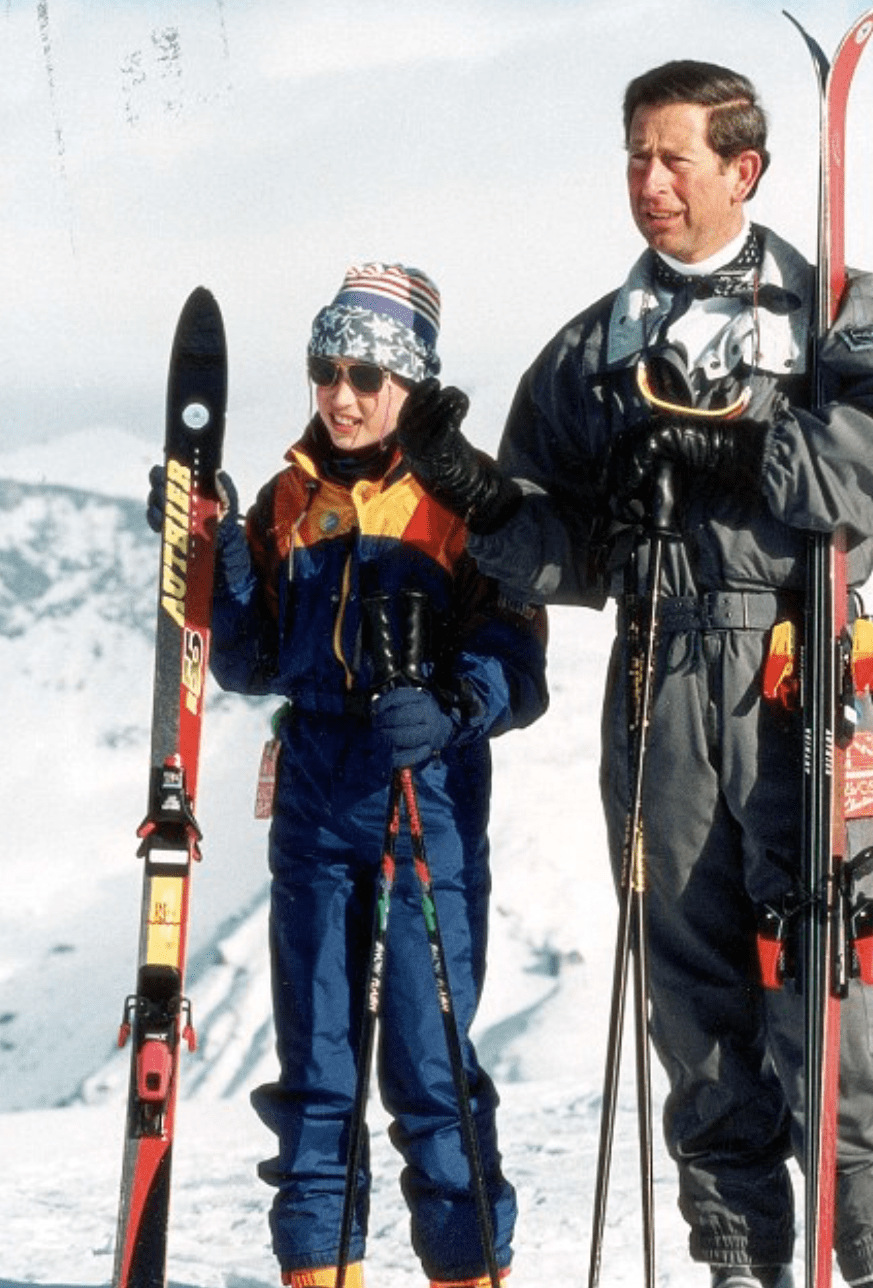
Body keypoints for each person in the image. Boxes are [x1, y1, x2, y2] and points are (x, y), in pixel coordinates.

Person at [394, 62, 873, 1288]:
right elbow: (561, 543)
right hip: (656, 675)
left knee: (834, 988)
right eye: (633, 156)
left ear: (741, 168)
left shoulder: (830, 304)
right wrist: (477, 491)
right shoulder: (599, 343)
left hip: (794, 662)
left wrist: (748, 446)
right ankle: (738, 1266)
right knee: (696, 1008)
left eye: (673, 157)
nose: (647, 181)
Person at [149, 262, 549, 1288]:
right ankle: (321, 1273)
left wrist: (461, 702)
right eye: (327, 367)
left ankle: (466, 1271)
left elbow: (519, 658)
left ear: (411, 383)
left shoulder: (461, 499)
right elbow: (243, 659)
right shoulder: (292, 494)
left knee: (429, 1068)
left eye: (367, 374)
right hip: (319, 791)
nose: (342, 393)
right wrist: (218, 561)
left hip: (425, 794)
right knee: (318, 1067)